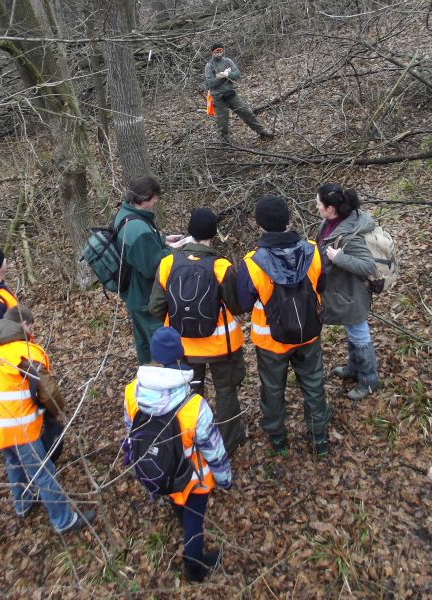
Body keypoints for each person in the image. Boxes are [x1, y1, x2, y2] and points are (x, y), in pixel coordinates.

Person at [0, 307, 95, 532]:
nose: (32, 333)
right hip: (19, 426)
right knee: (42, 472)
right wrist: (57, 414)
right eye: (31, 328)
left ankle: (23, 503)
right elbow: (49, 392)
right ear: (24, 325)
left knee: (13, 461)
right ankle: (63, 520)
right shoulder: (26, 353)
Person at [124, 327, 232, 582]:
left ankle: (178, 513)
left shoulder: (131, 392)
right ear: (180, 355)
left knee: (175, 497)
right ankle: (194, 566)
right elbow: (213, 450)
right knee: (195, 520)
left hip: (156, 467)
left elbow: (132, 431)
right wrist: (225, 478)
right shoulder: (194, 406)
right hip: (192, 478)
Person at [237, 196, 331, 456]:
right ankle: (319, 439)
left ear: (259, 226)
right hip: (308, 333)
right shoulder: (313, 250)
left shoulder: (253, 262)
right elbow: (322, 285)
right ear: (289, 220)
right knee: (313, 385)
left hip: (271, 341)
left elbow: (244, 302)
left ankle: (278, 439)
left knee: (273, 388)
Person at [148, 207, 246, 455]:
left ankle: (190, 436)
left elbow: (155, 307)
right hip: (221, 346)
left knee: (191, 392)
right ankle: (227, 441)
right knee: (226, 392)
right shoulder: (221, 266)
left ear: (189, 232)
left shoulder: (168, 263)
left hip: (183, 347)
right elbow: (237, 306)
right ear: (213, 234)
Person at [316, 183, 379, 400]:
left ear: (330, 208)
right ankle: (353, 369)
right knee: (352, 331)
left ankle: (369, 381)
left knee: (360, 335)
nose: (317, 207)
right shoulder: (331, 222)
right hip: (343, 292)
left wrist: (338, 258)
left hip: (353, 294)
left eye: (319, 204)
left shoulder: (350, 232)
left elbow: (369, 266)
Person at [113, 176, 181, 365]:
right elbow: (152, 267)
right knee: (158, 347)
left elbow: (137, 249)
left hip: (135, 295)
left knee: (143, 344)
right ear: (144, 199)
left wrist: (162, 240)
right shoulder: (138, 229)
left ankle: (146, 377)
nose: (156, 200)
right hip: (146, 298)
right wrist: (172, 249)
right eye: (154, 197)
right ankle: (162, 382)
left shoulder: (125, 214)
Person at [204, 42, 274, 143]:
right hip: (218, 98)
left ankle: (262, 132)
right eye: (216, 52)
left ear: (223, 51)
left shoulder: (228, 61)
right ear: (212, 53)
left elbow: (237, 74)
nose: (219, 54)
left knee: (247, 113)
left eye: (220, 51)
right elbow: (210, 84)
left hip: (231, 94)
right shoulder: (209, 66)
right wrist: (223, 77)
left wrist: (228, 74)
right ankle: (225, 142)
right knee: (222, 123)